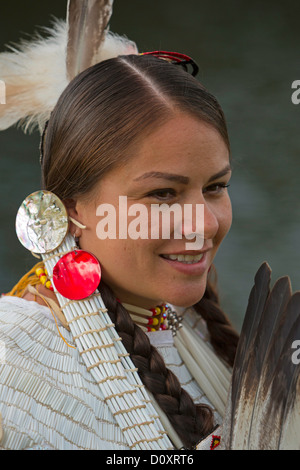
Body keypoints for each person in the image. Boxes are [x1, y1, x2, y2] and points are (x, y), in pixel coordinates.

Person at [0, 36, 240, 449]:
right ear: (73, 208)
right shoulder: (12, 354)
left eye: (216, 186)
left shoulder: (195, 328)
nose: (205, 222)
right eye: (163, 193)